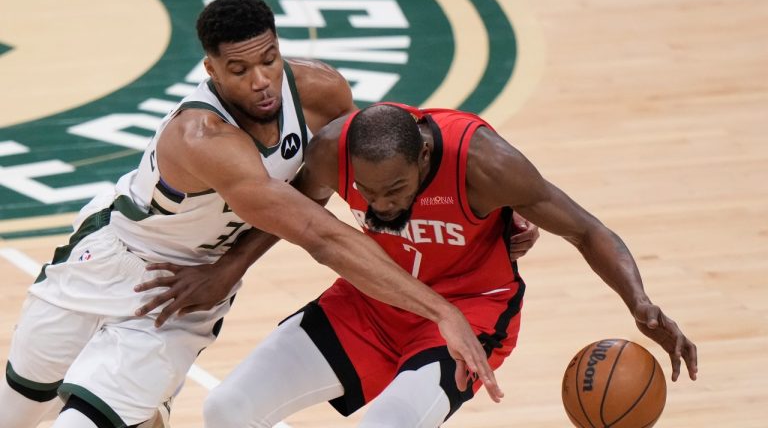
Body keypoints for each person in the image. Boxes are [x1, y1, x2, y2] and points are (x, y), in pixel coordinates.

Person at [0, 0, 525, 427]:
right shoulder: (202, 138)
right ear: (211, 70)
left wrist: (489, 210)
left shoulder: (320, 91)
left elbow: (374, 167)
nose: (261, 80)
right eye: (239, 68)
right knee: (19, 410)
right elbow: (318, 233)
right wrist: (441, 309)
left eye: (268, 59)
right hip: (108, 254)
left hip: (182, 290)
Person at [136, 103, 698, 427]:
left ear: (425, 157)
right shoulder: (332, 149)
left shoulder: (485, 163)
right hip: (369, 300)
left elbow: (586, 229)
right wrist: (224, 271)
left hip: (468, 315)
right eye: (368, 193)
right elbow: (294, 213)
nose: (381, 207)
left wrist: (640, 305)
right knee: (227, 409)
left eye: (396, 191)